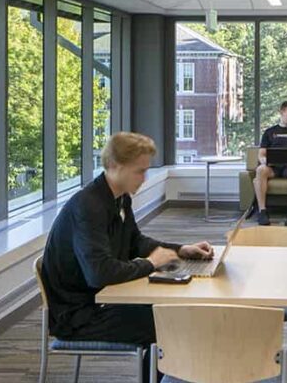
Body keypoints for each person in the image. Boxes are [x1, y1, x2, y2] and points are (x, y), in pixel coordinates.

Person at [39, 132, 213, 374]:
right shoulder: (88, 206)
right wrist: (152, 264)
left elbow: (134, 242)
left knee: (170, 313)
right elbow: (99, 274)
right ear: (114, 166)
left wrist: (180, 249)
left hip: (100, 300)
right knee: (166, 322)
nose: (144, 178)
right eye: (139, 171)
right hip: (78, 316)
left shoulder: (119, 199)